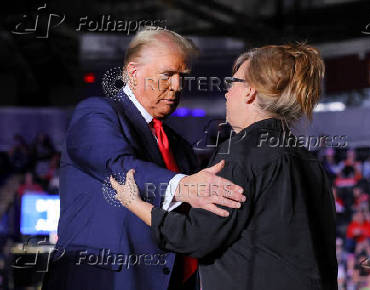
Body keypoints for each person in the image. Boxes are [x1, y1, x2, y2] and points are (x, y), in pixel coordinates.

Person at [111, 43, 338, 289]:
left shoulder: (242, 152)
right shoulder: (308, 159)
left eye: (233, 82)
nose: (227, 92)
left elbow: (194, 236)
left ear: (250, 91)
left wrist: (135, 203)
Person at [42, 27, 246, 290]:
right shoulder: (96, 113)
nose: (177, 86)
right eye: (167, 74)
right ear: (134, 72)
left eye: (182, 76)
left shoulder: (180, 147)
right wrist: (183, 186)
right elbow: (119, 167)